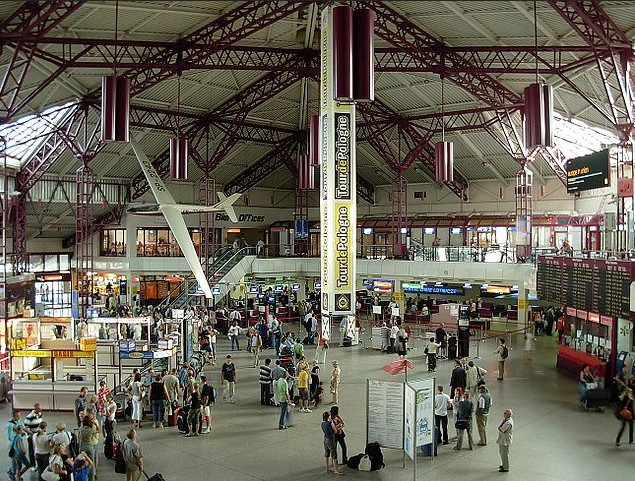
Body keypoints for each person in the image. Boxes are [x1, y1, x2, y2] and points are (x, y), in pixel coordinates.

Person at [78, 414, 99, 481]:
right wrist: (95, 424)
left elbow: (79, 438)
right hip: (89, 446)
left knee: (81, 463)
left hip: (82, 447)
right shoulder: (91, 429)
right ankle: (91, 478)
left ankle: (83, 477)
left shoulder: (81, 429)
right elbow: (98, 430)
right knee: (91, 462)